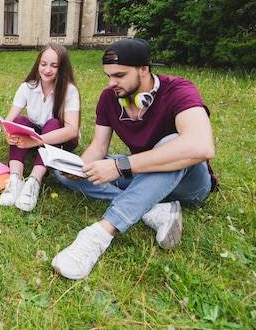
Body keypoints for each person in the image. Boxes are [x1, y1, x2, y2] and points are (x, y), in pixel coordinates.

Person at [51, 38, 217, 280]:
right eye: (108, 76)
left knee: (171, 143)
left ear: (143, 69)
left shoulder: (179, 90)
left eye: (119, 75)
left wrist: (120, 166)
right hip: (142, 171)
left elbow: (200, 146)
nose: (112, 83)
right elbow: (98, 146)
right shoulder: (109, 98)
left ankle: (99, 234)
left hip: (190, 183)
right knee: (68, 171)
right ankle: (154, 212)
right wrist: (78, 169)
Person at [0, 43, 80, 212]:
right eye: (43, 64)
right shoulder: (28, 87)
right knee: (19, 121)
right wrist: (8, 132)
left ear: (62, 68)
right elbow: (9, 119)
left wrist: (35, 141)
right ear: (38, 64)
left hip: (60, 138)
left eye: (54, 65)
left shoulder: (69, 90)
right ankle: (15, 177)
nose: (47, 70)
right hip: (36, 134)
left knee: (53, 123)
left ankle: (34, 181)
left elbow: (71, 130)